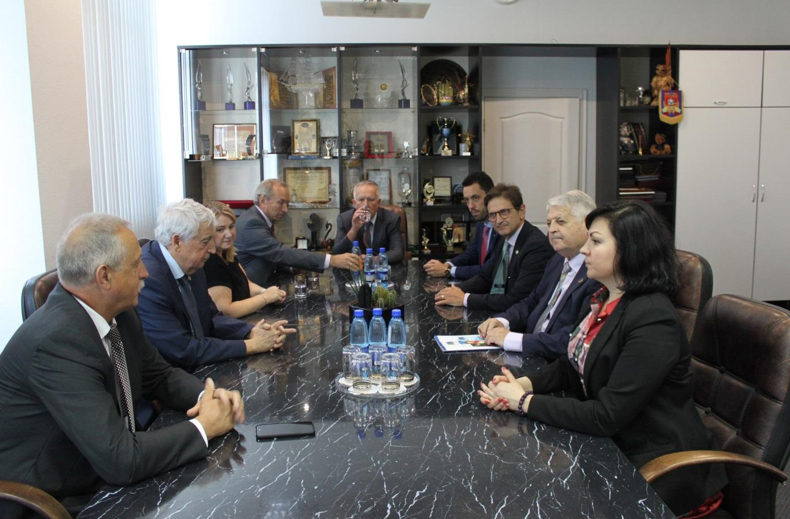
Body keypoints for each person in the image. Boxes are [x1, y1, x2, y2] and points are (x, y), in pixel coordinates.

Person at [478, 200, 727, 516]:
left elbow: (606, 415)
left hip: (660, 470)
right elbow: (573, 364)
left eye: (595, 242)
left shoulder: (653, 317)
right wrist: (521, 384)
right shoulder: (604, 298)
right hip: (613, 447)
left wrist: (524, 401)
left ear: (630, 250)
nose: (584, 250)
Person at [0, 214, 244, 518]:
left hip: (106, 468)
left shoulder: (119, 311)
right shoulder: (54, 342)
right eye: (135, 264)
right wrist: (205, 426)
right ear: (104, 277)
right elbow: (120, 460)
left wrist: (208, 396)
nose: (145, 273)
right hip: (58, 496)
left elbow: (160, 376)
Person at [138, 199, 294, 370]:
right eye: (205, 242)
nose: (212, 249)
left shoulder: (191, 262)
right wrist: (252, 345)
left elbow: (211, 317)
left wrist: (251, 331)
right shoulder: (149, 279)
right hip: (173, 375)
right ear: (177, 242)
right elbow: (183, 349)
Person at [477, 190, 601, 359]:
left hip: (555, 362)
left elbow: (575, 336)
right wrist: (503, 320)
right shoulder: (557, 260)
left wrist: (514, 340)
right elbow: (533, 301)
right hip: (530, 353)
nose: (552, 230)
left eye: (560, 221)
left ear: (587, 224)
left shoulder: (596, 273)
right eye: (549, 223)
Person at [434, 184, 554, 312]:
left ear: (521, 211)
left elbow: (516, 300)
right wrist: (453, 290)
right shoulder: (504, 238)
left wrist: (465, 299)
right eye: (492, 215)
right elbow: (485, 277)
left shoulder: (536, 246)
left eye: (504, 212)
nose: (498, 220)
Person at [236, 179, 361, 286]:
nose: (285, 209)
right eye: (281, 203)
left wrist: (293, 268)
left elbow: (269, 256)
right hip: (250, 293)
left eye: (287, 203)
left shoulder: (257, 219)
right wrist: (332, 260)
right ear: (263, 200)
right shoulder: (251, 224)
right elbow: (279, 252)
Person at [203, 201, 286, 318]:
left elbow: (246, 284)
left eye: (231, 227)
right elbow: (226, 311)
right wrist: (266, 298)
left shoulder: (227, 255)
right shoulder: (210, 262)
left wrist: (267, 292)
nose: (229, 234)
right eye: (220, 230)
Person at [424, 171, 499, 281]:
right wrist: (447, 265)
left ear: (490, 196)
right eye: (467, 200)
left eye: (476, 198)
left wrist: (448, 271)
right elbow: (471, 255)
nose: (470, 206)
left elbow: (491, 270)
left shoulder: (502, 227)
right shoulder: (481, 225)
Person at [332, 180, 404, 263]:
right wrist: (354, 229)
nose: (365, 204)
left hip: (381, 268)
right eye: (361, 199)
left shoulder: (391, 219)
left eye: (371, 199)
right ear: (354, 203)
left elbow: (398, 253)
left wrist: (372, 260)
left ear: (378, 202)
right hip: (354, 268)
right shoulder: (344, 219)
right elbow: (337, 253)